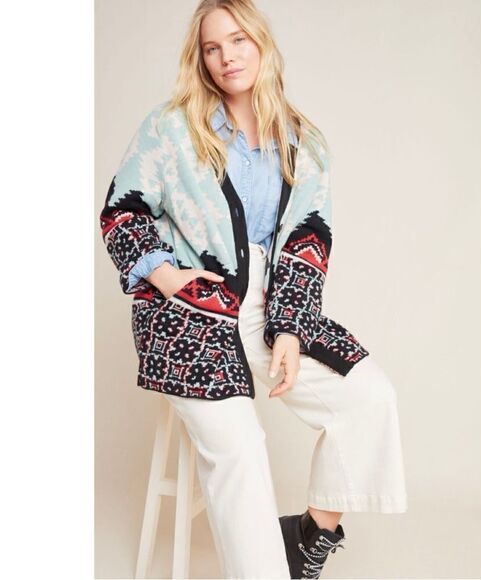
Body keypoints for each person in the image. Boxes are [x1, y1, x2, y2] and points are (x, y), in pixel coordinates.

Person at [100, 0, 408, 578]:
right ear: (201, 58)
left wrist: (289, 328)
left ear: (261, 43)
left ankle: (308, 535)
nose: (227, 57)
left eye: (238, 40)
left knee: (369, 397)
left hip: (271, 310)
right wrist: (166, 276)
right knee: (241, 449)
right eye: (213, 47)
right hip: (188, 318)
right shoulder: (172, 128)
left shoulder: (303, 143)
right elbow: (122, 212)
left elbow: (307, 241)